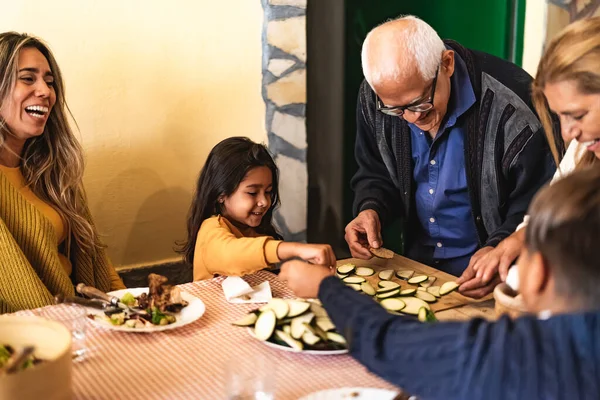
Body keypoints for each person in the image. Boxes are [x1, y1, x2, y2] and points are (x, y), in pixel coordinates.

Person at [280, 166, 600, 400]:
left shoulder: (515, 353)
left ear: (539, 272)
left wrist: (326, 286)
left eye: (524, 249)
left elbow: (386, 340)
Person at [345, 15, 557, 278]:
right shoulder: (376, 98)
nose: (412, 118)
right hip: (416, 268)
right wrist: (371, 208)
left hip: (493, 273)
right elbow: (375, 171)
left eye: (419, 103)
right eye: (396, 110)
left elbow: (539, 202)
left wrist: (497, 246)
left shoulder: (515, 108)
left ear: (447, 64)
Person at [457, 16, 600, 298]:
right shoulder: (586, 149)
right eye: (561, 118)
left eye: (578, 115)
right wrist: (518, 240)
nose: (569, 133)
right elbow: (546, 221)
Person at [0, 32, 125, 313]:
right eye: (28, 78)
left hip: (84, 319)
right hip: (28, 341)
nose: (45, 91)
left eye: (49, 81)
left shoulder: (52, 170)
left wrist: (127, 308)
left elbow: (96, 256)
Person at [179, 137, 335, 281]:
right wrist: (296, 249)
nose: (264, 202)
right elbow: (233, 255)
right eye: (252, 193)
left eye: (268, 192)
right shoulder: (210, 230)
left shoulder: (256, 230)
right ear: (221, 194)